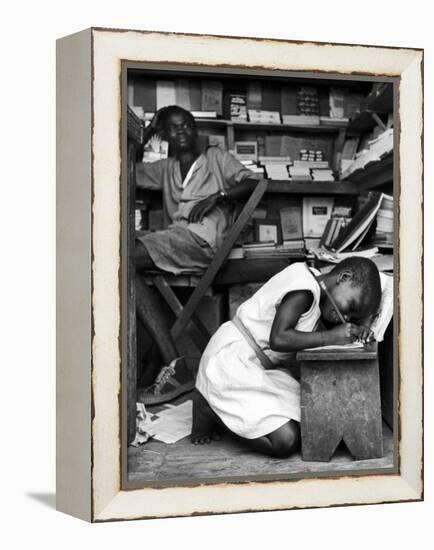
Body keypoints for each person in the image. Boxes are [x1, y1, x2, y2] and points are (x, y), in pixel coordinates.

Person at [192, 257, 382, 458]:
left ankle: (222, 407)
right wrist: (330, 337)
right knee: (285, 441)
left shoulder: (317, 292)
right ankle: (211, 409)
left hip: (256, 368)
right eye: (350, 306)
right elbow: (279, 339)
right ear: (344, 277)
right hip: (230, 363)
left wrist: (358, 331)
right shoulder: (304, 290)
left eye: (352, 317)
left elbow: (326, 330)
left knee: (313, 418)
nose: (346, 317)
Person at [135, 105, 261, 405]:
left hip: (200, 243)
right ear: (164, 135)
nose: (183, 132)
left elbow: (253, 182)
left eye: (187, 125)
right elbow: (126, 170)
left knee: (121, 260)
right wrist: (147, 134)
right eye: (174, 128)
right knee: (123, 263)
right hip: (174, 242)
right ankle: (167, 362)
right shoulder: (165, 169)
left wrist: (219, 196)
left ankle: (174, 363)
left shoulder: (215, 158)